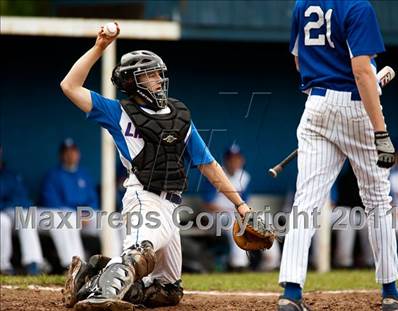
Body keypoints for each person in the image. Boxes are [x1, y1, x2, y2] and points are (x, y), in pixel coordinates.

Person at [59, 23, 260, 311]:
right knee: (140, 252)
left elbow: (208, 165)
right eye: (149, 75)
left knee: (168, 291)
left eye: (158, 74)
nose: (158, 80)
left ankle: (86, 281)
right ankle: (98, 296)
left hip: (171, 205)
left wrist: (241, 206)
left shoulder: (178, 116)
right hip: (143, 197)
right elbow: (69, 86)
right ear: (132, 82)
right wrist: (100, 47)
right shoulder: (117, 112)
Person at [277, 1, 398, 310]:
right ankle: (391, 292)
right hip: (355, 107)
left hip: (315, 106)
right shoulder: (357, 5)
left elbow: (300, 62)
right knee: (378, 200)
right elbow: (362, 71)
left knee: (306, 201)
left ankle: (291, 294)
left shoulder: (303, 3)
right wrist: (381, 132)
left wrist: (335, 79)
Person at [201, 144, 280, 271]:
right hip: (214, 216)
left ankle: (271, 262)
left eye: (237, 159)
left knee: (265, 217)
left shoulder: (244, 176)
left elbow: (246, 203)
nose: (234, 162)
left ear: (242, 160)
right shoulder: (216, 174)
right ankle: (239, 264)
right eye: (231, 159)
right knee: (235, 222)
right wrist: (231, 211)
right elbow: (207, 204)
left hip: (236, 213)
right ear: (225, 160)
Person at [40, 139, 91, 269]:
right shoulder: (53, 175)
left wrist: (85, 212)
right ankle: (75, 266)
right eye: (67, 152)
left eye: (73, 151)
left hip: (86, 215)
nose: (70, 155)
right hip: (63, 214)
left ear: (78, 154)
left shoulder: (84, 174)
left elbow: (93, 198)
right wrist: (77, 213)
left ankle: (115, 262)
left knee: (113, 221)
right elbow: (50, 200)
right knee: (68, 218)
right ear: (61, 155)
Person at [0, 146, 44, 275]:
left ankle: (33, 263)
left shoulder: (9, 175)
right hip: (3, 213)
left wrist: (9, 204)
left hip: (8, 210)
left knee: (25, 216)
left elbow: (22, 198)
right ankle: (3, 266)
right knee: (2, 222)